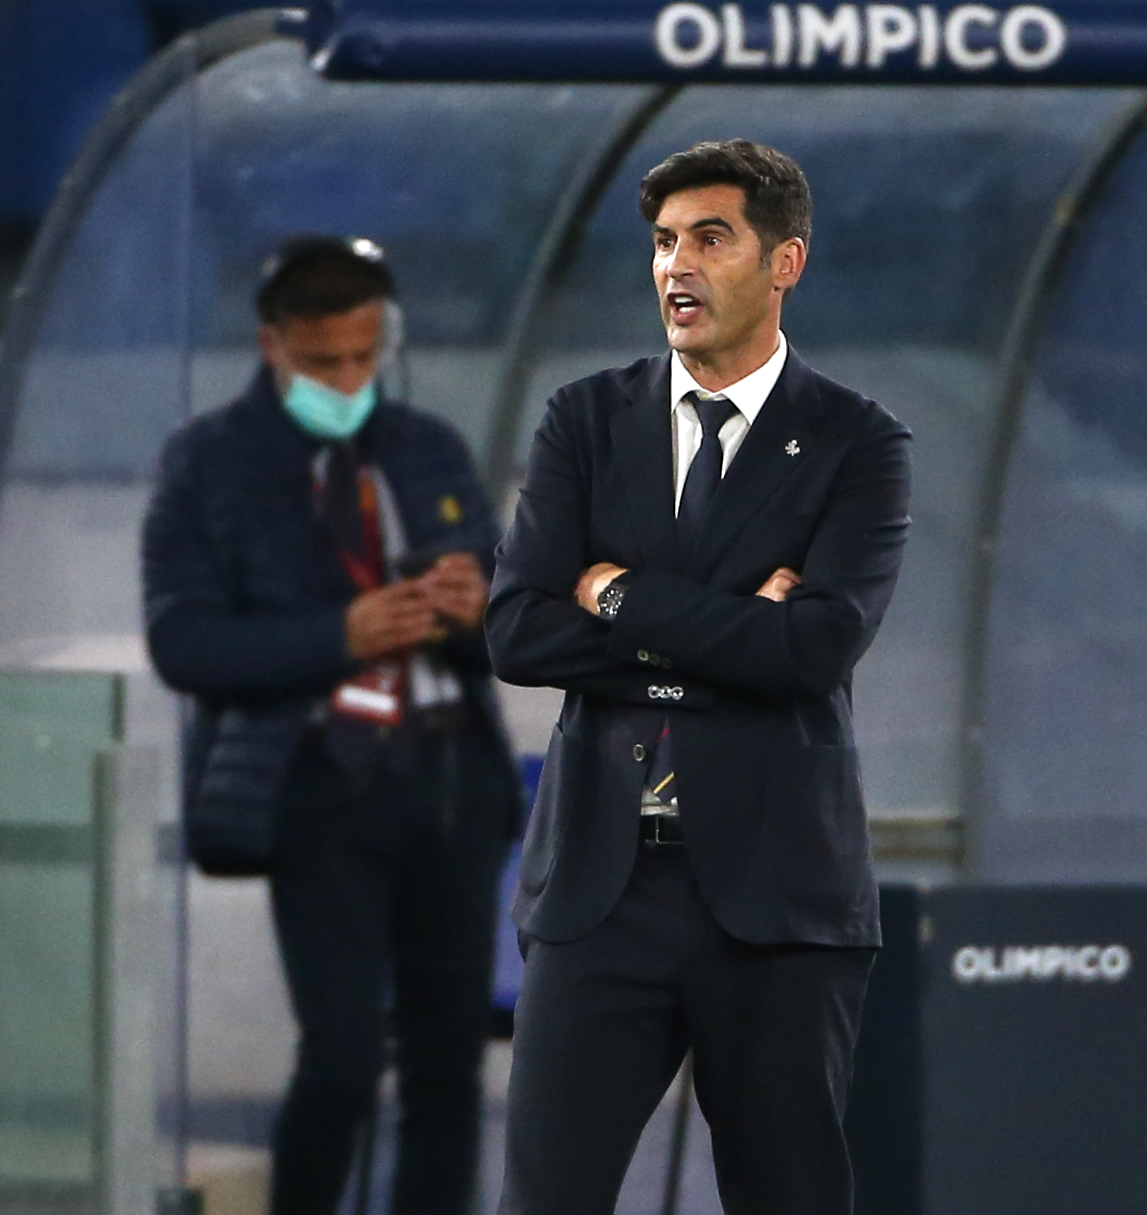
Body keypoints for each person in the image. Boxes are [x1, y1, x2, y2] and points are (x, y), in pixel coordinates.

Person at [485, 139, 912, 1215]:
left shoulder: (859, 443)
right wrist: (735, 631)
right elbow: (518, 633)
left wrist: (617, 593)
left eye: (710, 239)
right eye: (665, 242)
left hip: (777, 904)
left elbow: (811, 651)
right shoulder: (585, 420)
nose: (676, 265)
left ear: (784, 262)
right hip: (599, 891)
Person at [142, 236, 522, 1215]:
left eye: (363, 357)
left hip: (449, 773)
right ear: (272, 346)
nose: (348, 382)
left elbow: (522, 630)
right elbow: (183, 643)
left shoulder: (428, 448)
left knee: (447, 1065)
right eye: (323, 363)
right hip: (318, 780)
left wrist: (481, 610)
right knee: (343, 1058)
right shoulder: (210, 461)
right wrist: (338, 635)